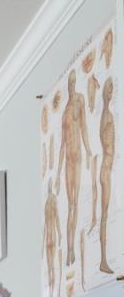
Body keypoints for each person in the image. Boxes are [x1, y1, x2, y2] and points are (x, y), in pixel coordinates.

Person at [56, 70, 93, 267]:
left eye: (73, 82)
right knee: (70, 205)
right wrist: (55, 176)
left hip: (77, 158)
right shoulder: (64, 113)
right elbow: (61, 144)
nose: (71, 86)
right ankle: (70, 247)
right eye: (69, 83)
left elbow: (85, 127)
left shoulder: (79, 101)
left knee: (74, 205)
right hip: (68, 162)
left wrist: (88, 151)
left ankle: (71, 249)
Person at [100, 77, 115, 275]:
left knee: (106, 214)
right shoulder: (106, 115)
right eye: (109, 89)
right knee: (104, 214)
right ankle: (103, 259)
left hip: (107, 167)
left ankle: (104, 258)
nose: (111, 93)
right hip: (105, 168)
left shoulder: (107, 115)